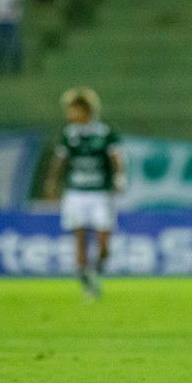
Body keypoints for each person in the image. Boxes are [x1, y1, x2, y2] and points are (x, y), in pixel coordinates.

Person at [44, 87, 125, 298]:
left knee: (104, 244)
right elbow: (59, 161)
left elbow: (116, 158)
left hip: (100, 194)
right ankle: (86, 281)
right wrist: (51, 182)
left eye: (73, 110)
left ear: (85, 110)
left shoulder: (104, 132)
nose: (69, 115)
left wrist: (119, 178)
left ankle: (95, 273)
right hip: (76, 193)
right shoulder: (68, 134)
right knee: (79, 239)